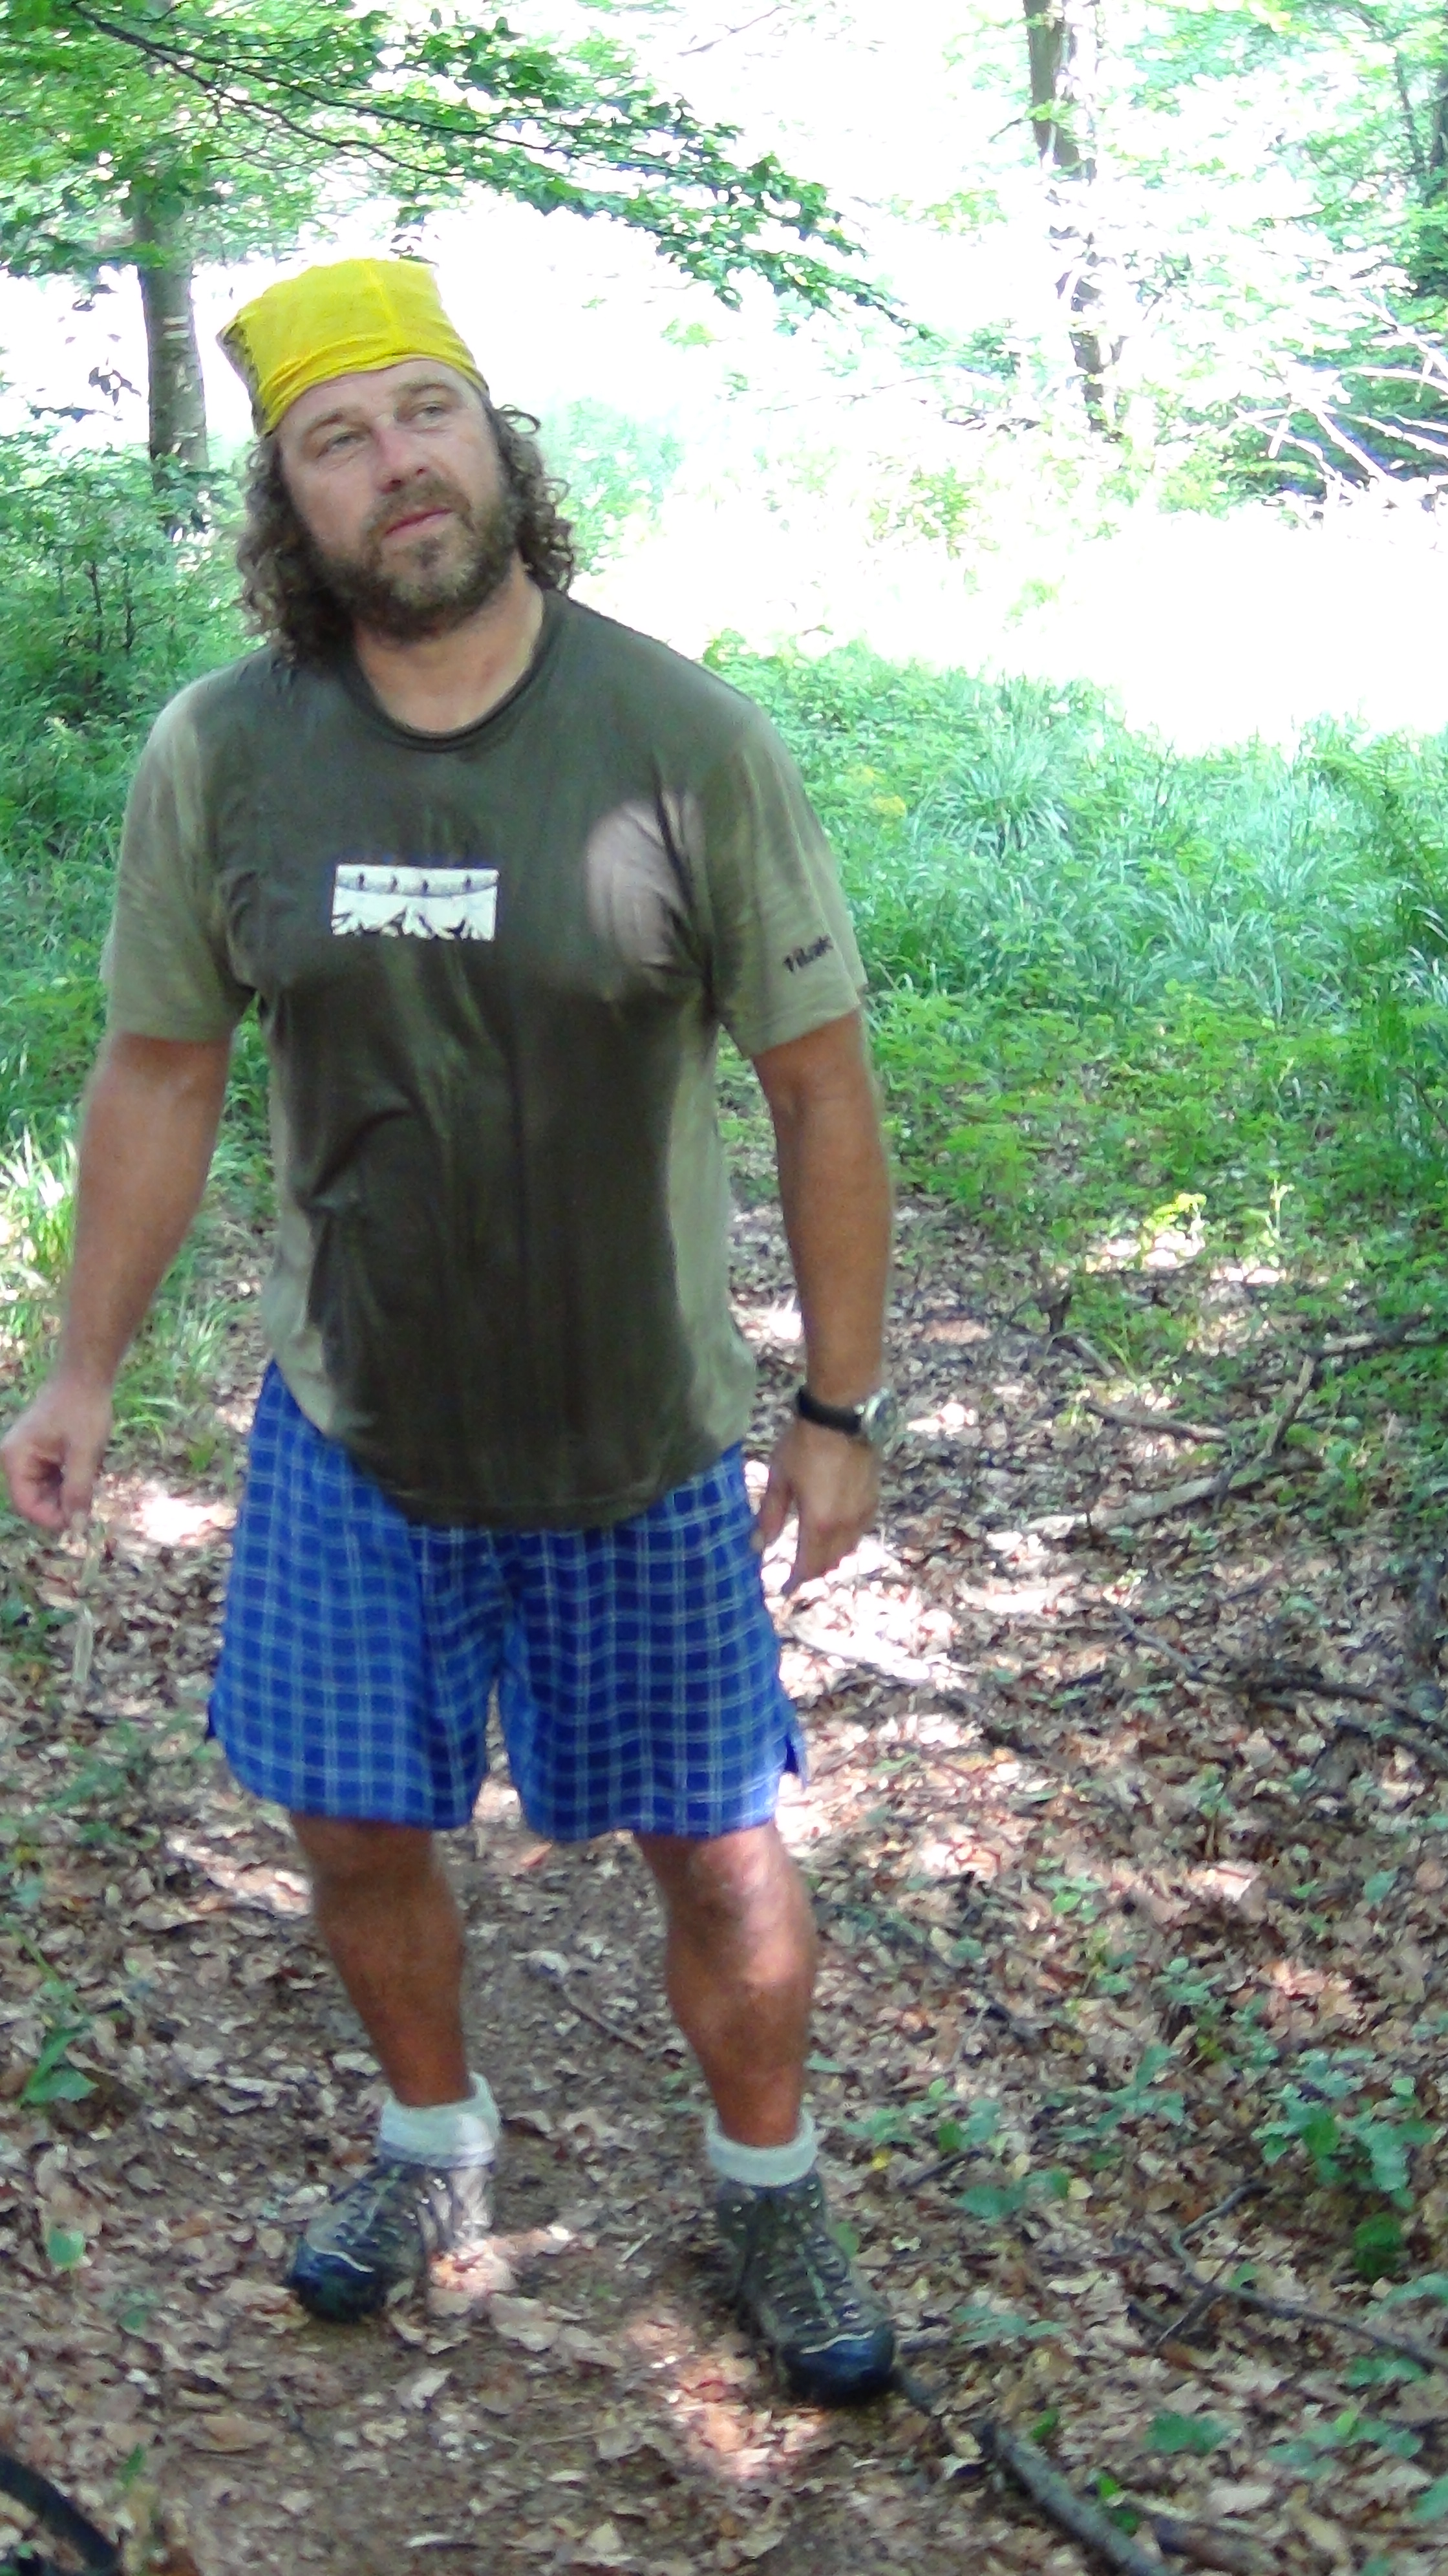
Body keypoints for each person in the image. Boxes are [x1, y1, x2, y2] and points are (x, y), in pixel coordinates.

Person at [0, 259, 900, 2405]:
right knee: (350, 1827)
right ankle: (431, 2142)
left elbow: (820, 1083)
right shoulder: (228, 754)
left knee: (722, 1851)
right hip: (354, 1434)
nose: (396, 462)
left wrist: (840, 1403)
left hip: (639, 1439)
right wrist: (81, 1368)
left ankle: (768, 2183)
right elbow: (160, 1071)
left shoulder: (677, 738)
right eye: (338, 437)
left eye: (428, 412)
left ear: (500, 447)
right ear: (289, 505)